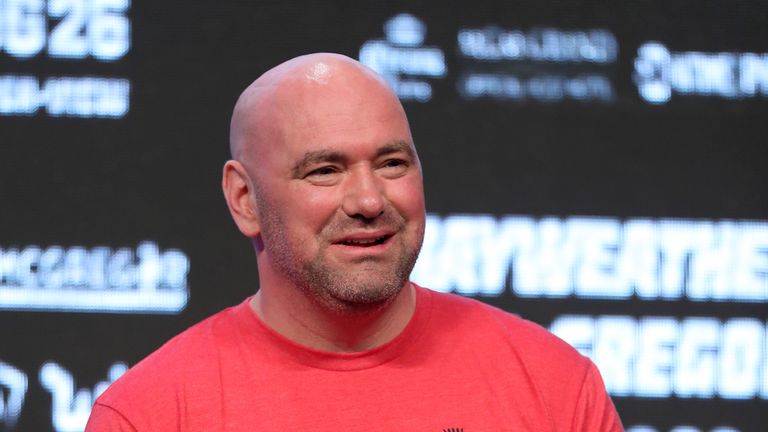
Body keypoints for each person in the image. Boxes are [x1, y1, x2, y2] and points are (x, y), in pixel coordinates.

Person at [86, 53, 623, 431]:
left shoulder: (554, 388)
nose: (369, 199)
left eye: (392, 164)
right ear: (245, 199)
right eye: (325, 170)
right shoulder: (150, 415)